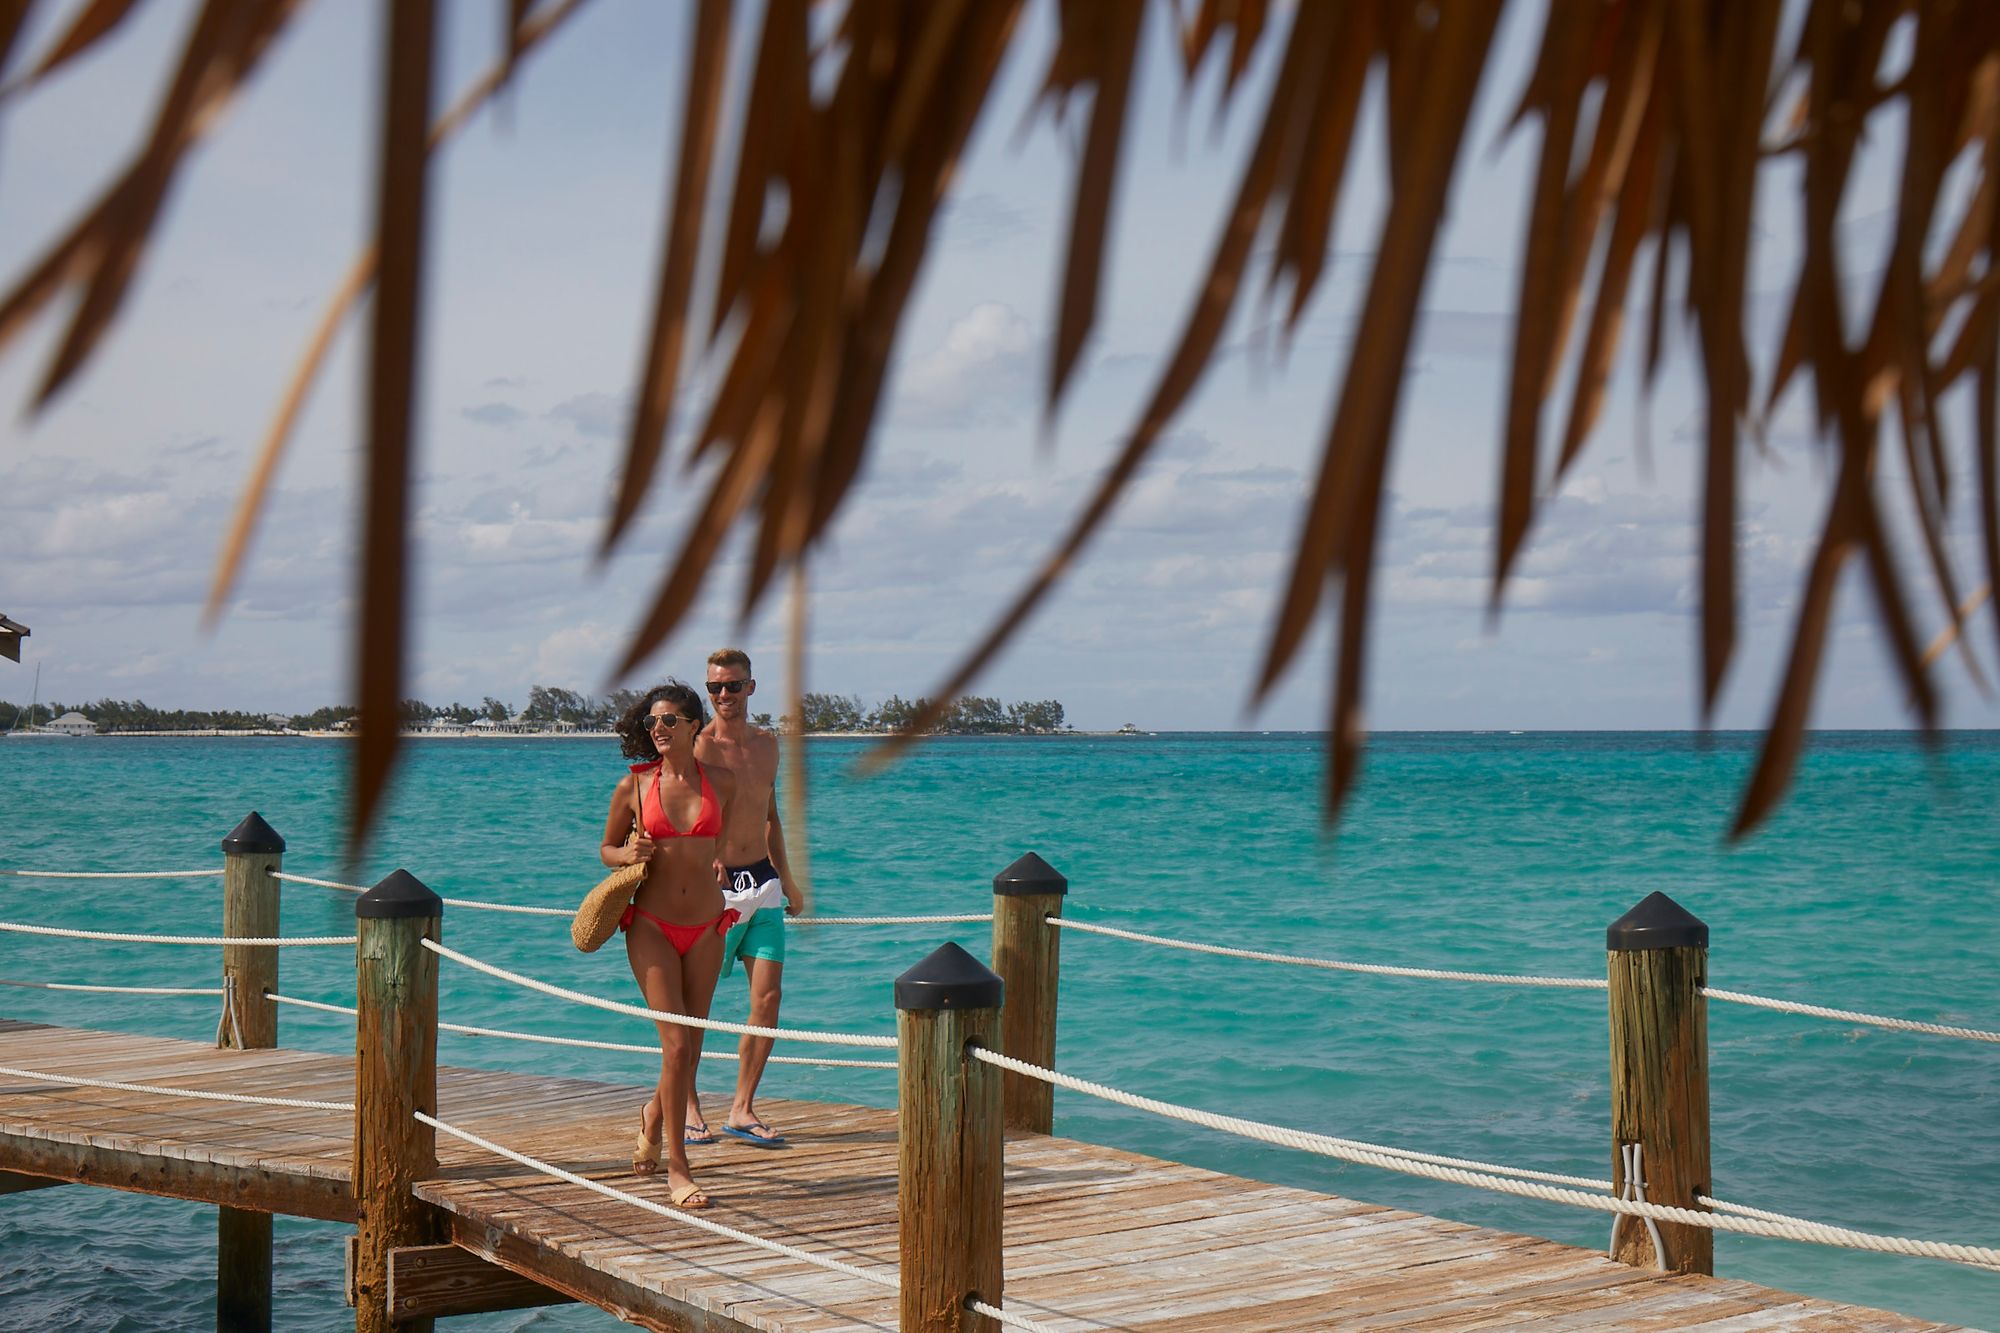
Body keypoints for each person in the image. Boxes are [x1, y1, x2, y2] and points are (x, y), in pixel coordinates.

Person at [600, 680, 736, 1209]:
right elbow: (607, 849)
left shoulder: (721, 781)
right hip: (652, 925)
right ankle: (678, 1168)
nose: (658, 729)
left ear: (693, 726)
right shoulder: (633, 786)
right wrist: (628, 852)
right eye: (652, 722)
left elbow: (732, 842)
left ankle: (654, 1116)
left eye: (670, 721)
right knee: (676, 1046)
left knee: (692, 1049)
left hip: (707, 925)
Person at [685, 647, 807, 1148]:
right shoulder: (699, 746)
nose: (723, 696)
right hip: (716, 889)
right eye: (714, 687)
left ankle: (742, 1108)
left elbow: (770, 815)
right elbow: (681, 811)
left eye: (732, 686)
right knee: (697, 1005)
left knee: (769, 1000)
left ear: (751, 687)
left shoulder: (768, 746)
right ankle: (687, 1106)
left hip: (765, 883)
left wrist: (789, 878)